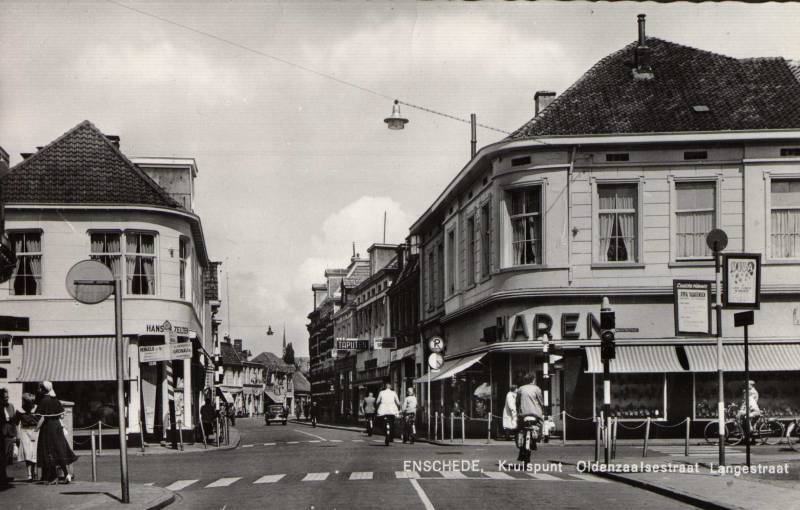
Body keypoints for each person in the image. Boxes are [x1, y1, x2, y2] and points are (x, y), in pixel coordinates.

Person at [35, 381, 77, 484]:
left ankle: (54, 477)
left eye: (41, 388)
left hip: (48, 429)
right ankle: (67, 474)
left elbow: (42, 418)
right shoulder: (55, 399)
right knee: (59, 449)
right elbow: (61, 415)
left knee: (49, 450)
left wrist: (35, 429)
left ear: (44, 389)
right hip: (57, 427)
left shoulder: (44, 401)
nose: (39, 390)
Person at [516, 372, 544, 465]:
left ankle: (520, 444)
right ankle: (537, 439)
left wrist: (518, 410)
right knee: (540, 425)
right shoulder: (537, 389)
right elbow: (540, 401)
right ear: (533, 380)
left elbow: (517, 402)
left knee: (519, 429)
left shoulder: (520, 389)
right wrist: (543, 410)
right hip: (535, 414)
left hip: (523, 414)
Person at [15, 393, 39, 481]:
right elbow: (16, 423)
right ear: (25, 402)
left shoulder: (37, 408)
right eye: (30, 402)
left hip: (35, 430)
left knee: (34, 452)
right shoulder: (20, 410)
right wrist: (17, 435)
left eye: (33, 401)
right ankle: (29, 473)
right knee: (27, 452)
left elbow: (41, 420)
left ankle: (34, 472)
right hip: (24, 431)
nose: (32, 404)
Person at [1, 388, 16, 488]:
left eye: (8, 397)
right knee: (2, 455)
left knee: (7, 456)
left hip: (9, 433)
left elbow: (14, 419)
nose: (7, 399)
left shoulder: (10, 406)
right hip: (2, 433)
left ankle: (3, 474)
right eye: (4, 397)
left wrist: (16, 434)